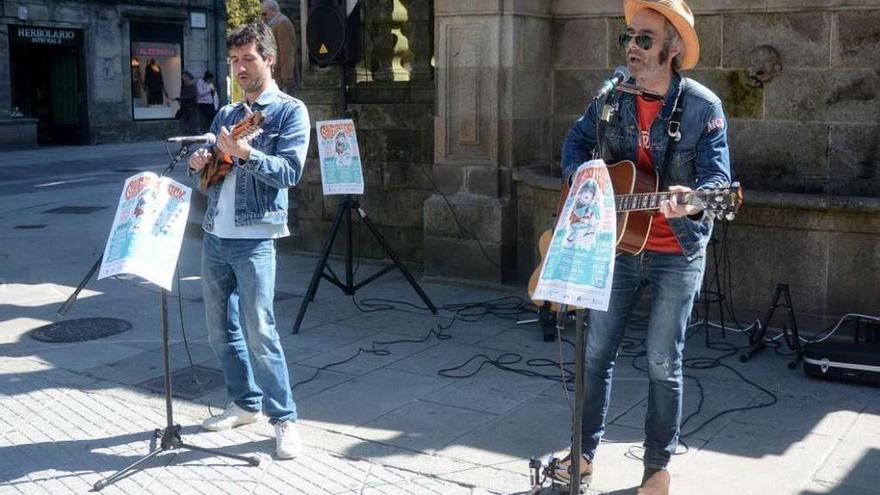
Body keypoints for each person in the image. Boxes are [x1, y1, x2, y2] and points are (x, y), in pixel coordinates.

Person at [557, 1, 731, 494]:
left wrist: (694, 202)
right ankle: (583, 456)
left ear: (672, 49)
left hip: (676, 249)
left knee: (662, 360)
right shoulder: (612, 96)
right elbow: (575, 142)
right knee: (595, 352)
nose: (631, 48)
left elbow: (719, 182)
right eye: (627, 38)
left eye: (644, 39)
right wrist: (582, 183)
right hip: (617, 245)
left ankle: (656, 467)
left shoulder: (703, 107)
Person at [187, 22, 310, 460]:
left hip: (255, 237)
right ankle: (244, 402)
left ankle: (285, 419)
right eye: (234, 60)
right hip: (215, 236)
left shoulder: (290, 112)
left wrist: (247, 154)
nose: (239, 67)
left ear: (269, 60)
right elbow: (207, 183)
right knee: (219, 331)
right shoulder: (224, 115)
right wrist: (201, 163)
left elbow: (290, 172)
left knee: (261, 331)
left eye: (248, 59)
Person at [261, 0, 299, 94]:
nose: (264, 16)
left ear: (271, 10)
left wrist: (286, 78)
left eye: (265, 13)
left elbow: (286, 51)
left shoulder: (282, 23)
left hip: (282, 79)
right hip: (276, 77)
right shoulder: (274, 23)